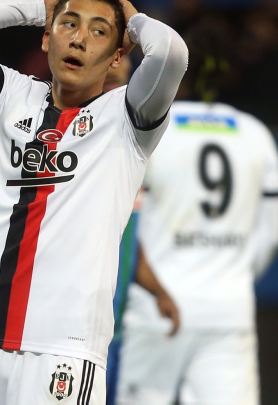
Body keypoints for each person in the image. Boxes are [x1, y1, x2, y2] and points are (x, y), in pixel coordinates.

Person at [0, 0, 188, 404]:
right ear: (47, 38)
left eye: (99, 31)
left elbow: (171, 52)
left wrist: (132, 20)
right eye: (69, 24)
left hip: (61, 355)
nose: (79, 39)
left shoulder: (128, 119)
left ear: (118, 55)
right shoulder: (13, 97)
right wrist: (34, 6)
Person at [115, 30, 278, 405]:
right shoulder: (257, 134)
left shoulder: (152, 128)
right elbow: (271, 236)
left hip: (158, 306)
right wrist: (233, 275)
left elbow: (122, 223)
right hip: (229, 308)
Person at [102, 56, 180, 405]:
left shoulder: (135, 146)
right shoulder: (70, 134)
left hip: (110, 330)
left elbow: (126, 238)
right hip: (69, 332)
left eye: (126, 59)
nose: (120, 65)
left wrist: (159, 291)